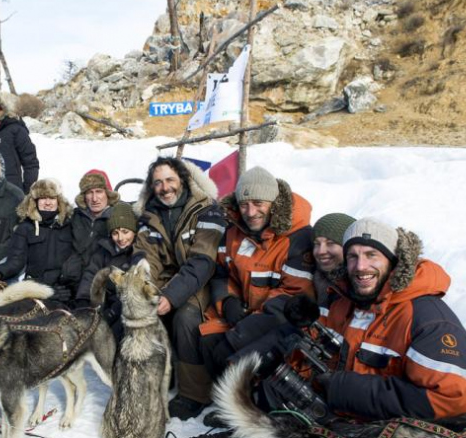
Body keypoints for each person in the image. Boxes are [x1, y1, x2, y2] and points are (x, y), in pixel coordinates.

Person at [316, 217, 466, 421]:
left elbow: (454, 396)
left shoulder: (427, 318)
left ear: (393, 260)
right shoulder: (342, 301)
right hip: (330, 420)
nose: (361, 266)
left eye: (372, 255)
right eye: (353, 256)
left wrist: (350, 391)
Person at [200, 166, 315, 382]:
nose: (250, 212)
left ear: (274, 204)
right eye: (244, 205)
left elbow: (292, 297)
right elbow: (222, 272)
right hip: (243, 312)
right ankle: (214, 398)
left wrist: (243, 330)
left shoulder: (297, 238)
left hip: (278, 323)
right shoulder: (234, 231)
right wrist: (227, 300)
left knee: (229, 354)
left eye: (258, 204)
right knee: (207, 340)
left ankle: (247, 403)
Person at [133, 156, 226, 420]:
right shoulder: (150, 214)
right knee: (142, 309)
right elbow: (144, 254)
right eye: (158, 182)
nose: (165, 188)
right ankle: (161, 377)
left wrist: (171, 296)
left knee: (186, 315)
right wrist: (147, 288)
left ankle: (194, 393)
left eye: (170, 180)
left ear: (183, 180)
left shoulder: (207, 210)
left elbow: (203, 261)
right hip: (166, 280)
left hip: (204, 280)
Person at [0, 179, 78, 304]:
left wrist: (69, 284)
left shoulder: (71, 225)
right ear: (35, 202)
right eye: (43, 198)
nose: (48, 203)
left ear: (58, 201)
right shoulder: (25, 228)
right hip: (35, 289)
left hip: (64, 289)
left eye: (52, 198)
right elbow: (16, 260)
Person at [75, 201, 138, 335]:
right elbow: (90, 274)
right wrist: (83, 300)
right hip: (104, 303)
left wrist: (113, 312)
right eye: (115, 233)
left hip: (126, 308)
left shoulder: (138, 252)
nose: (121, 238)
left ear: (134, 231)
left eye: (125, 232)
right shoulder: (104, 251)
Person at [69, 169, 122, 287]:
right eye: (89, 192)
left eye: (99, 191)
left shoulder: (118, 219)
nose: (94, 198)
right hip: (72, 282)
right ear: (84, 196)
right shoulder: (74, 217)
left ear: (107, 194)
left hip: (102, 285)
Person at [311, 212, 356, 306]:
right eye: (317, 244)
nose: (321, 251)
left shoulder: (363, 286)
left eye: (330, 243)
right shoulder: (315, 281)